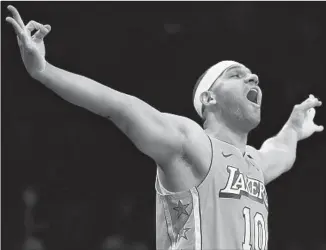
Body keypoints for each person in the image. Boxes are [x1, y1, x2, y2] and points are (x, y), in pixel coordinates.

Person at [5, 5, 323, 250]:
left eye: (252, 75)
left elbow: (280, 151)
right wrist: (44, 71)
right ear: (209, 98)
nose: (252, 78)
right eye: (237, 75)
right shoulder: (192, 142)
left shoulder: (255, 163)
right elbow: (120, 106)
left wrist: (294, 126)